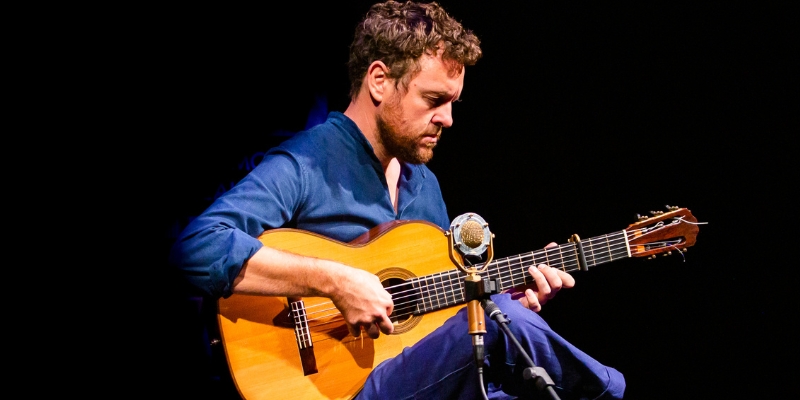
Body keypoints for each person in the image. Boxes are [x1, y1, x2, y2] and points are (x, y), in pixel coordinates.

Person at [169, 1, 625, 399]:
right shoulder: (308, 162)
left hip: (410, 382)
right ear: (379, 81)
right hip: (329, 388)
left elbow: (437, 323)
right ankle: (608, 390)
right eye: (434, 99)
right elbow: (195, 246)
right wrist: (333, 281)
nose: (447, 118)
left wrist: (503, 301)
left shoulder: (423, 185)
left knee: (510, 343)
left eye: (453, 103)